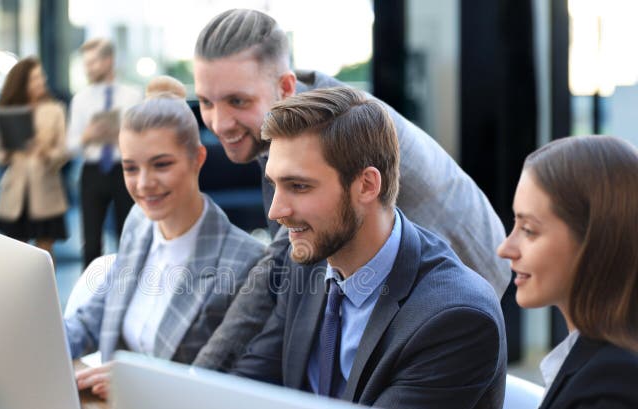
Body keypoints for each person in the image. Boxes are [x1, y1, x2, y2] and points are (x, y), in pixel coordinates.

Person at [90, 86, 507, 409]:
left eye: (299, 187)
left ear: (366, 186)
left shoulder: (454, 318)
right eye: (274, 185)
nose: (275, 211)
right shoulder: (307, 263)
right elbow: (245, 387)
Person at [190, 9, 511, 371]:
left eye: (237, 101)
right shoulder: (288, 114)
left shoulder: (319, 130)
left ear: (286, 87)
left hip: (467, 270)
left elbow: (273, 276)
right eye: (205, 102)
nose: (219, 122)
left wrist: (193, 377)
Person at [66, 77, 266, 409]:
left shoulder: (246, 263)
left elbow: (237, 392)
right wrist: (26, 349)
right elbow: (92, 318)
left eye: (160, 165)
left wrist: (142, 382)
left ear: (197, 159)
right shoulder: (139, 223)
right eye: (130, 168)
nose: (143, 184)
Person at [497, 135, 638, 409]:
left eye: (529, 230)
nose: (506, 248)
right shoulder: (595, 359)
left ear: (595, 242)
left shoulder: (612, 385)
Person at [67, 38, 143, 268]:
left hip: (125, 170)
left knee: (128, 237)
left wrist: (123, 135)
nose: (87, 68)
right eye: (86, 63)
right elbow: (70, 146)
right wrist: (87, 136)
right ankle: (91, 296)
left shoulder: (133, 96)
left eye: (92, 63)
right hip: (92, 171)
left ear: (108, 61)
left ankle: (130, 292)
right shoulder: (80, 100)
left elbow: (144, 139)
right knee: (91, 242)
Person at [0, 57, 69, 257]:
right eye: (34, 78)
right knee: (17, 256)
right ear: (22, 83)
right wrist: (11, 147)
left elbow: (63, 151)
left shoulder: (55, 110)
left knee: (45, 254)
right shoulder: (7, 111)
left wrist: (46, 153)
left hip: (46, 190)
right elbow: (0, 156)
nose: (40, 82)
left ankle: (44, 290)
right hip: (16, 192)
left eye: (41, 77)